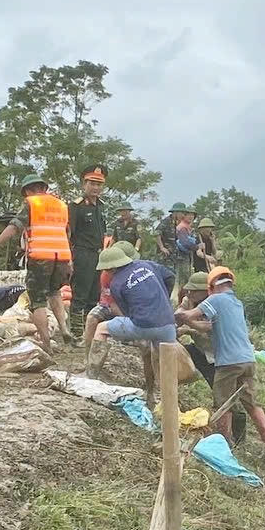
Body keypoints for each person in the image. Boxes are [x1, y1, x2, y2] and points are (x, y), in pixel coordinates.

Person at [174, 266, 265, 463]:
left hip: (228, 362)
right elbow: (207, 326)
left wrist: (183, 314)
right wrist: (192, 325)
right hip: (248, 359)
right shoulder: (236, 302)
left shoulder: (215, 300)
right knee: (252, 404)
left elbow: (187, 316)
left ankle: (225, 446)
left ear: (211, 286)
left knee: (223, 404)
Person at [0, 173, 72, 355]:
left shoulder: (32, 203)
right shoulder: (61, 205)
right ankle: (64, 330)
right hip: (62, 256)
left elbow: (13, 227)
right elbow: (67, 233)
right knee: (55, 293)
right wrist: (69, 261)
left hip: (40, 257)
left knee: (38, 301)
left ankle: (46, 344)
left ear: (29, 190)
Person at [99, 244, 176, 405]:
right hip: (167, 322)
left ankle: (92, 376)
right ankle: (168, 402)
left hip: (142, 323)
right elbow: (170, 277)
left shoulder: (116, 283)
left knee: (101, 329)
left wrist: (136, 330)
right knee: (164, 362)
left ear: (111, 268)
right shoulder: (147, 265)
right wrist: (163, 300)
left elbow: (125, 310)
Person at [176, 271, 247, 443]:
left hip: (219, 357)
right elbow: (178, 315)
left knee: (226, 398)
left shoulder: (216, 304)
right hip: (201, 351)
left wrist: (187, 326)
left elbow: (208, 327)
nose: (190, 293)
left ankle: (235, 438)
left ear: (206, 291)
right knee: (177, 353)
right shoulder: (189, 301)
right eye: (189, 290)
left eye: (194, 291)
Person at [83, 242, 137, 379]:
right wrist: (125, 321)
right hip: (111, 305)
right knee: (91, 318)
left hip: (132, 306)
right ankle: (89, 358)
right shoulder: (106, 275)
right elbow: (112, 303)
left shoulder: (137, 273)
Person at [68, 164, 108, 342]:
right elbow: (69, 233)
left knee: (95, 294)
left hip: (98, 255)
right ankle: (76, 333)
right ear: (84, 185)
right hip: (82, 254)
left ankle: (89, 331)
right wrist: (69, 258)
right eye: (92, 184)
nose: (95, 188)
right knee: (80, 294)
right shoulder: (76, 206)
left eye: (99, 185)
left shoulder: (100, 207)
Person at [156, 202, 195, 299]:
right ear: (176, 212)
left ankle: (169, 299)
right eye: (182, 213)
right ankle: (163, 299)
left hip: (174, 255)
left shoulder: (178, 224)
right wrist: (162, 247)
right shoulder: (166, 222)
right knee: (167, 279)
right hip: (165, 256)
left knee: (173, 279)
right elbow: (157, 234)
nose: (183, 216)